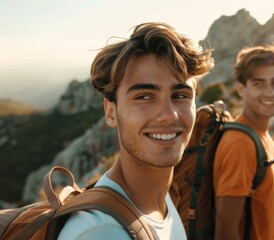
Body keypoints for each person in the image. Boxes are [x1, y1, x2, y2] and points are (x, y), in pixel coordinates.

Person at [57, 22, 214, 239]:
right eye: (144, 97)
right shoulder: (101, 232)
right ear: (111, 112)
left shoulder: (159, 202)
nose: (169, 115)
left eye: (180, 95)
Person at [213, 44, 274, 240]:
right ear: (241, 89)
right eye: (258, 83)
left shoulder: (262, 137)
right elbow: (225, 233)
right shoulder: (240, 144)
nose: (270, 92)